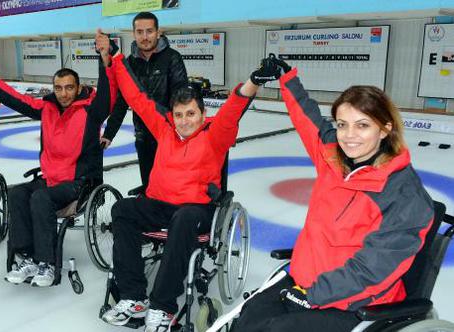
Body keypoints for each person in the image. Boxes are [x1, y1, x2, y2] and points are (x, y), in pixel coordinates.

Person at [231, 57, 435, 331]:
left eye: (363, 125)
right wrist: (286, 78)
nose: (349, 135)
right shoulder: (333, 159)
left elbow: (371, 270)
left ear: (385, 128)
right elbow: (308, 119)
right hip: (302, 281)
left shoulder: (404, 195)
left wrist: (313, 295)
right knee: (247, 317)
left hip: (354, 301)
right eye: (342, 124)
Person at [100, 41, 281, 332]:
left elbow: (234, 108)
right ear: (172, 115)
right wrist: (117, 57)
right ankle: (134, 297)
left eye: (191, 114)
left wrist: (254, 80)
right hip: (160, 205)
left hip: (196, 211)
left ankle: (163, 307)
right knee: (122, 209)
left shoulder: (214, 135)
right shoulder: (164, 128)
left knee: (183, 217)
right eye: (180, 115)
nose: (184, 121)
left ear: (202, 115)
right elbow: (135, 96)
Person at [0, 31, 117, 287]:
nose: (63, 93)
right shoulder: (47, 109)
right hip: (51, 180)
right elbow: (14, 98)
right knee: (18, 193)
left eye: (69, 88)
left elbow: (108, 93)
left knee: (41, 198)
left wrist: (104, 56)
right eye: (59, 88)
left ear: (78, 88)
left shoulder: (91, 110)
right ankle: (27, 258)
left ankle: (48, 264)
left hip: (79, 183)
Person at [101, 11, 187, 193]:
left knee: (171, 187)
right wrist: (109, 133)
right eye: (140, 32)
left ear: (158, 32)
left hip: (168, 134)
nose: (145, 37)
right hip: (143, 135)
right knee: (149, 184)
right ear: (134, 33)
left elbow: (181, 96)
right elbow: (122, 101)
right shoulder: (130, 63)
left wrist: (173, 127)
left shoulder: (172, 58)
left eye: (149, 31)